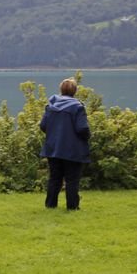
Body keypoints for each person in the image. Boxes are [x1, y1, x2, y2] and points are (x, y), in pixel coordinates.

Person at [39, 78, 91, 211]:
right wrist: (86, 138)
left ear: (61, 90)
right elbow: (82, 129)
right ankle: (72, 207)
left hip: (53, 148)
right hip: (72, 149)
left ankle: (50, 205)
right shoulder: (78, 107)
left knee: (55, 178)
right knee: (72, 179)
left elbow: (43, 126)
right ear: (74, 91)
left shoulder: (51, 106)